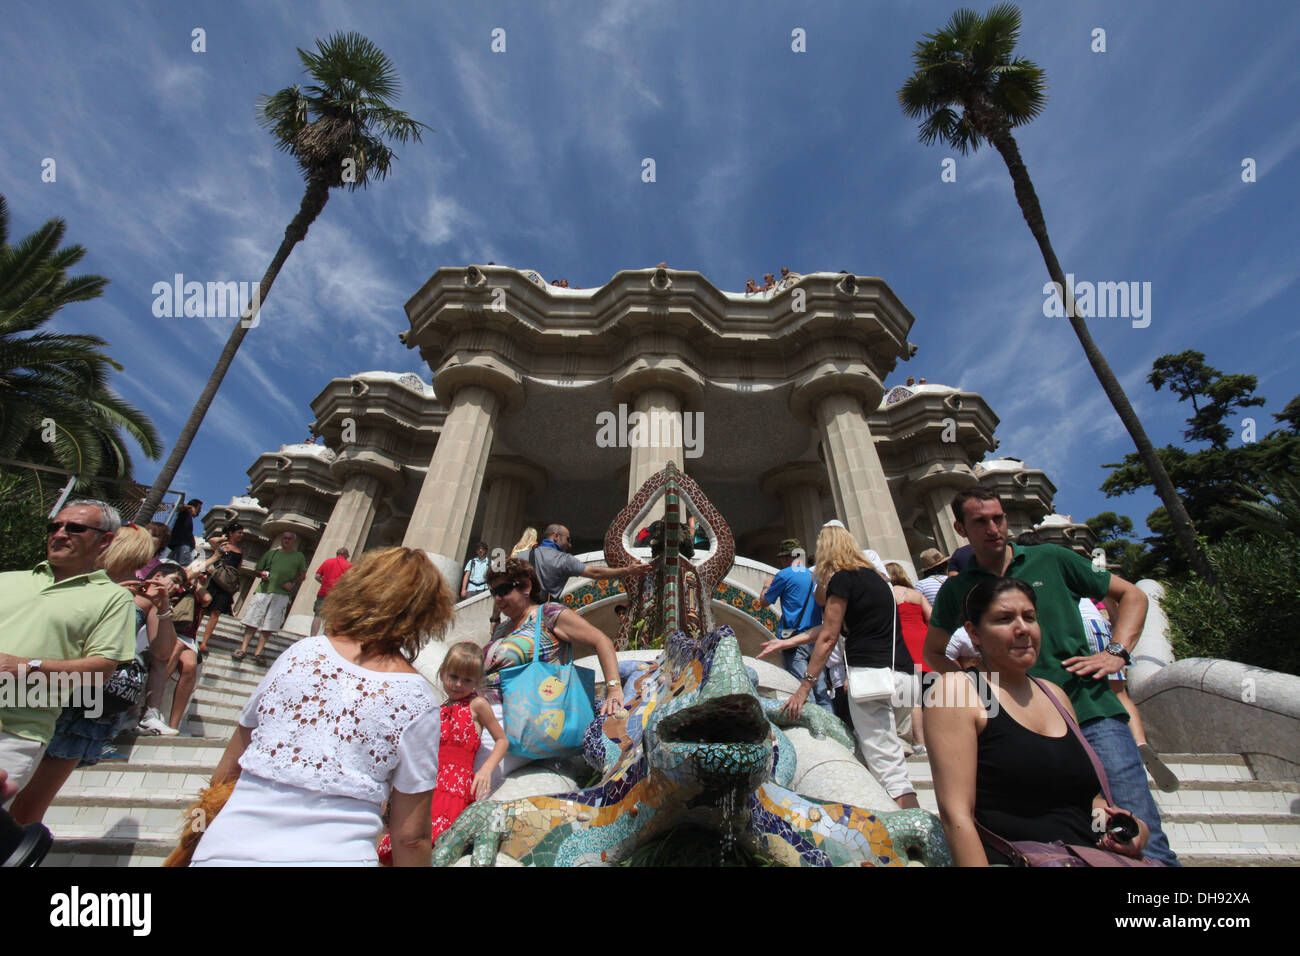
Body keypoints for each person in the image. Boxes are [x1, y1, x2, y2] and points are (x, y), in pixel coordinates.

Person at [921, 487, 1178, 866]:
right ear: (960, 528)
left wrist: (1116, 653)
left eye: (999, 518)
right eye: (981, 521)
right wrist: (978, 690)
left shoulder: (1054, 557)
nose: (994, 528)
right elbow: (932, 652)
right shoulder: (957, 588)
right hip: (1015, 727)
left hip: (1089, 712)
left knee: (1140, 838)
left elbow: (1132, 595)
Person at [190, 547, 452, 866]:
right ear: (427, 613)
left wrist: (195, 834)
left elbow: (228, 768)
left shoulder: (300, 654)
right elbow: (411, 836)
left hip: (226, 851)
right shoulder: (417, 697)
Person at [926, 578, 1152, 866]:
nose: (1022, 628)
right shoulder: (957, 690)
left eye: (1029, 617)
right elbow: (956, 816)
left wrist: (1118, 828)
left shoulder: (1055, 694)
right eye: (1004, 619)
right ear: (974, 633)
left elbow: (1090, 804)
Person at [8, 530, 170, 824]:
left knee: (32, 799)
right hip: (47, 686)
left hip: (90, 697)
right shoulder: (69, 582)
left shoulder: (142, 598)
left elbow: (162, 652)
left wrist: (163, 607)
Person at [0, 501, 135, 802]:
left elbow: (100, 670)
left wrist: (23, 666)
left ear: (105, 540)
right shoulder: (7, 580)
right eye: (55, 526)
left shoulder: (113, 599)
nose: (60, 534)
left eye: (74, 528)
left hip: (16, 734)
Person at [779, 525, 919, 809]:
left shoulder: (843, 580)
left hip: (871, 679)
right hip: (903, 677)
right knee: (874, 760)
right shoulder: (880, 580)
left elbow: (829, 636)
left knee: (891, 774)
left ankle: (915, 833)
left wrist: (804, 687)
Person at [479, 558, 628, 784]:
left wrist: (614, 689)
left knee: (473, 774)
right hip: (482, 712)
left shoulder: (548, 614)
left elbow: (601, 640)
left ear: (526, 587)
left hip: (519, 715)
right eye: (493, 592)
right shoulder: (501, 628)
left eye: (503, 589)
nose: (498, 598)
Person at [376, 641, 507, 864]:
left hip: (458, 784)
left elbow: (502, 740)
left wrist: (486, 769)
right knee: (409, 838)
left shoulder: (477, 705)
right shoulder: (439, 709)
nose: (458, 684)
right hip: (432, 782)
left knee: (437, 841)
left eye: (467, 680)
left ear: (477, 682)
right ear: (442, 673)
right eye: (453, 676)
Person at [756, 538, 831, 713]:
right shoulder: (814, 575)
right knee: (821, 691)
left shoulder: (784, 575)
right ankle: (832, 733)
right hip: (815, 637)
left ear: (786, 558)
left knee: (801, 689)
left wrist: (766, 585)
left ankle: (813, 734)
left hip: (794, 639)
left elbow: (765, 602)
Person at [233, 531, 308, 666]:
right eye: (284, 538)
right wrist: (262, 573)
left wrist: (293, 582)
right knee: (252, 620)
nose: (286, 540)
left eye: (289, 538)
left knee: (270, 624)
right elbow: (257, 570)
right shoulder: (271, 553)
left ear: (294, 541)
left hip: (282, 594)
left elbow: (303, 575)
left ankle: (258, 652)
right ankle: (243, 648)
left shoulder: (299, 557)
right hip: (264, 591)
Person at [522, 524, 649, 602]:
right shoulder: (564, 559)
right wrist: (628, 570)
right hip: (542, 616)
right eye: (568, 539)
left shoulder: (522, 555)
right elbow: (595, 573)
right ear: (555, 536)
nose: (570, 545)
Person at [156, 566, 212, 735]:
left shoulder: (194, 588)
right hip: (168, 630)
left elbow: (207, 599)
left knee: (190, 666)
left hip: (187, 636)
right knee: (176, 650)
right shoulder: (176, 584)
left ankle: (174, 724)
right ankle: (151, 707)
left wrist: (198, 585)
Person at [887, 562, 932, 755]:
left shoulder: (888, 595)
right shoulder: (917, 595)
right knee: (932, 695)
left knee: (912, 699)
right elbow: (931, 617)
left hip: (902, 644)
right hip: (923, 642)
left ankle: (919, 742)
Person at [197, 522, 244, 658]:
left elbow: (238, 568)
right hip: (215, 580)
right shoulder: (223, 545)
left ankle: (204, 642)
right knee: (202, 608)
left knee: (216, 612)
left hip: (226, 583)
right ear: (231, 533)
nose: (241, 535)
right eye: (239, 532)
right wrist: (224, 538)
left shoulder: (240, 551)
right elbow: (211, 540)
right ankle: (194, 633)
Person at [311, 547, 352, 634]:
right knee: (330, 617)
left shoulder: (327, 562)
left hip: (323, 592)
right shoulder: (349, 565)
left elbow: (317, 576)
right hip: (337, 594)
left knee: (318, 615)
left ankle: (312, 637)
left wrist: (323, 582)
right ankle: (325, 638)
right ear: (346, 555)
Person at [167, 499, 203, 567]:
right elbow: (176, 505)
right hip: (183, 546)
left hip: (181, 546)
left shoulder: (187, 515)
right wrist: (190, 507)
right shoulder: (185, 512)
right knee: (185, 567)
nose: (200, 511)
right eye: (199, 508)